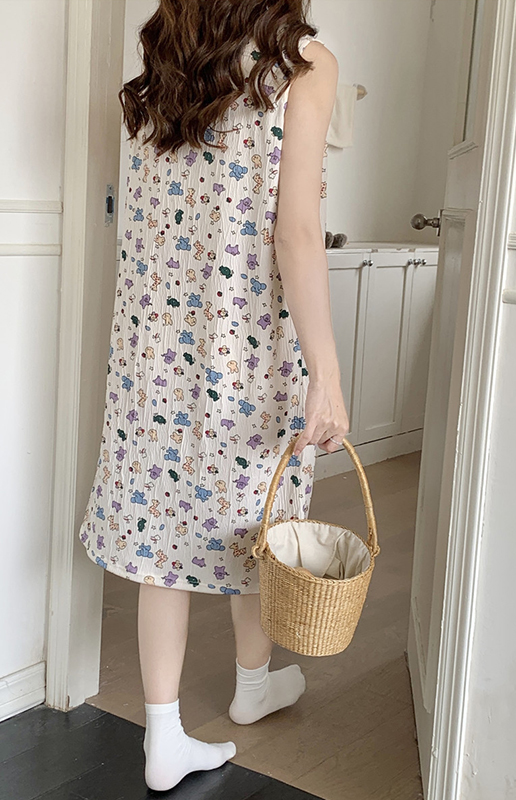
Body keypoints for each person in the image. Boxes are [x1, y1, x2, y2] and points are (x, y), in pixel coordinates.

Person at [79, 0, 348, 791]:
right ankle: (252, 684)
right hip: (246, 344)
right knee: (259, 514)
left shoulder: (168, 61)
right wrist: (326, 373)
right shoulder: (303, 65)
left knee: (162, 527)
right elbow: (295, 233)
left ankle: (164, 732)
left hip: (153, 344)